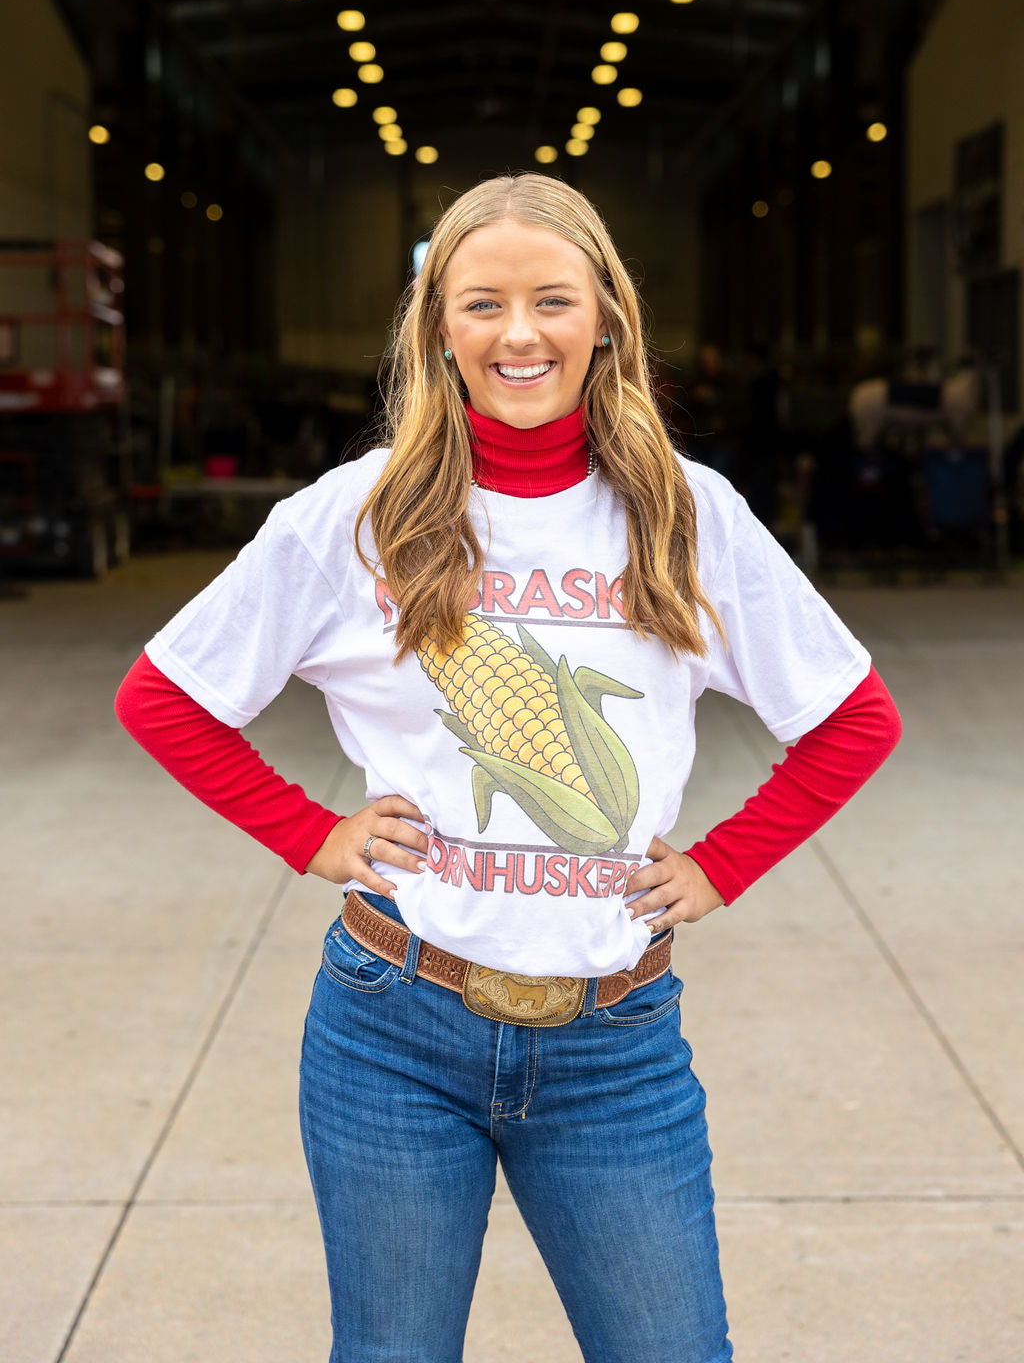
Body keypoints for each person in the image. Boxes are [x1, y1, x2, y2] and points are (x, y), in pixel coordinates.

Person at [116, 173, 901, 1363]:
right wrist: (311, 834)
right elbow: (163, 697)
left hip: (614, 1044)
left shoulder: (686, 517)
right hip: (391, 1029)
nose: (519, 333)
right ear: (438, 324)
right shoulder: (355, 518)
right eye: (481, 303)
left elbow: (853, 720)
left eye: (552, 300)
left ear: (606, 321)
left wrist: (723, 865)